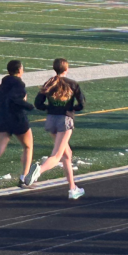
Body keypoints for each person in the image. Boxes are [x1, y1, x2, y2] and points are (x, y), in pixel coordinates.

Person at [26, 58, 86, 200]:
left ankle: (72, 188)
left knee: (67, 154)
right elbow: (81, 104)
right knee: (57, 156)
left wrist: (50, 108)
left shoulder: (49, 83)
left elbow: (38, 103)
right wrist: (72, 109)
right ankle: (38, 171)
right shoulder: (72, 84)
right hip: (64, 120)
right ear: (66, 69)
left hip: (51, 120)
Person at [0, 60, 36, 202]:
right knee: (28, 146)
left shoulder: (3, 83)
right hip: (17, 118)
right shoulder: (19, 83)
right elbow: (14, 99)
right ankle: (24, 178)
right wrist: (29, 106)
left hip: (2, 118)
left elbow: (1, 101)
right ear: (20, 70)